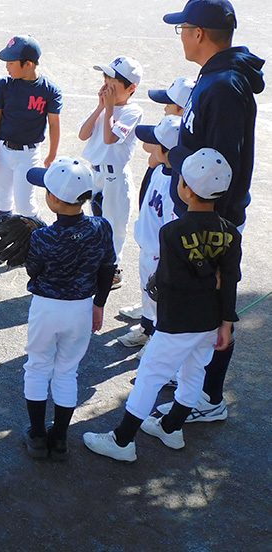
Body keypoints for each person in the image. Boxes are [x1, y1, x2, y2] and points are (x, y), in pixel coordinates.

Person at [83, 149, 241, 462]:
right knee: (194, 371)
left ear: (185, 188)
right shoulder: (231, 234)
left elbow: (171, 282)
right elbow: (231, 280)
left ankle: (122, 439)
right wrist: (226, 321)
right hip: (211, 321)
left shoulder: (172, 232)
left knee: (151, 375)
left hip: (177, 321)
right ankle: (171, 426)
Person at [162, 0, 264, 421]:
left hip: (212, 218)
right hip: (199, 212)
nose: (180, 35)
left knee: (214, 300)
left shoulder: (222, 88)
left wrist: (173, 157)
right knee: (196, 300)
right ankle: (193, 378)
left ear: (199, 34)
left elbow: (219, 165)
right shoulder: (214, 77)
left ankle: (209, 398)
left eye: (182, 29)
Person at [21, 158, 116, 459]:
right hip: (81, 309)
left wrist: (34, 236)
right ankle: (59, 439)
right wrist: (99, 304)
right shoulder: (101, 228)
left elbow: (33, 271)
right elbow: (108, 268)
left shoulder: (42, 236)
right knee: (66, 372)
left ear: (52, 198)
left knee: (37, 367)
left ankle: (37, 437)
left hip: (47, 308)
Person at [120, 77, 194, 322]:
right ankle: (147, 319)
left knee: (160, 293)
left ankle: (152, 328)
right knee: (149, 286)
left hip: (160, 250)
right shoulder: (172, 138)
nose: (164, 108)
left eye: (169, 104)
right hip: (150, 242)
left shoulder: (177, 181)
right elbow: (149, 151)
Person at [0, 36, 62, 265]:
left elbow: (54, 124)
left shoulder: (50, 91)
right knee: (3, 201)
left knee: (26, 205)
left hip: (29, 154)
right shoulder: (5, 85)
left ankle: (40, 243)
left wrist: (52, 154)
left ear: (28, 64)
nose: (6, 67)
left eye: (11, 62)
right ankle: (5, 248)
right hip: (2, 150)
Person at [79, 56, 144, 289]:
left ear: (131, 88)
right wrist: (100, 107)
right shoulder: (105, 108)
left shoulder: (132, 111)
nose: (107, 84)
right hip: (96, 174)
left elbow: (110, 138)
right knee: (97, 221)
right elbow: (83, 135)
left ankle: (113, 269)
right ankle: (100, 264)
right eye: (106, 77)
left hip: (115, 176)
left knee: (114, 226)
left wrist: (108, 110)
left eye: (114, 82)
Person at [118, 116, 181, 349]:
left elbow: (172, 229)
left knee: (160, 300)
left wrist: (167, 262)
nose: (151, 147)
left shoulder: (176, 187)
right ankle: (146, 329)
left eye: (156, 144)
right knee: (148, 295)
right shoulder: (158, 171)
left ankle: (156, 342)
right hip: (147, 248)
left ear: (167, 151)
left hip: (160, 255)